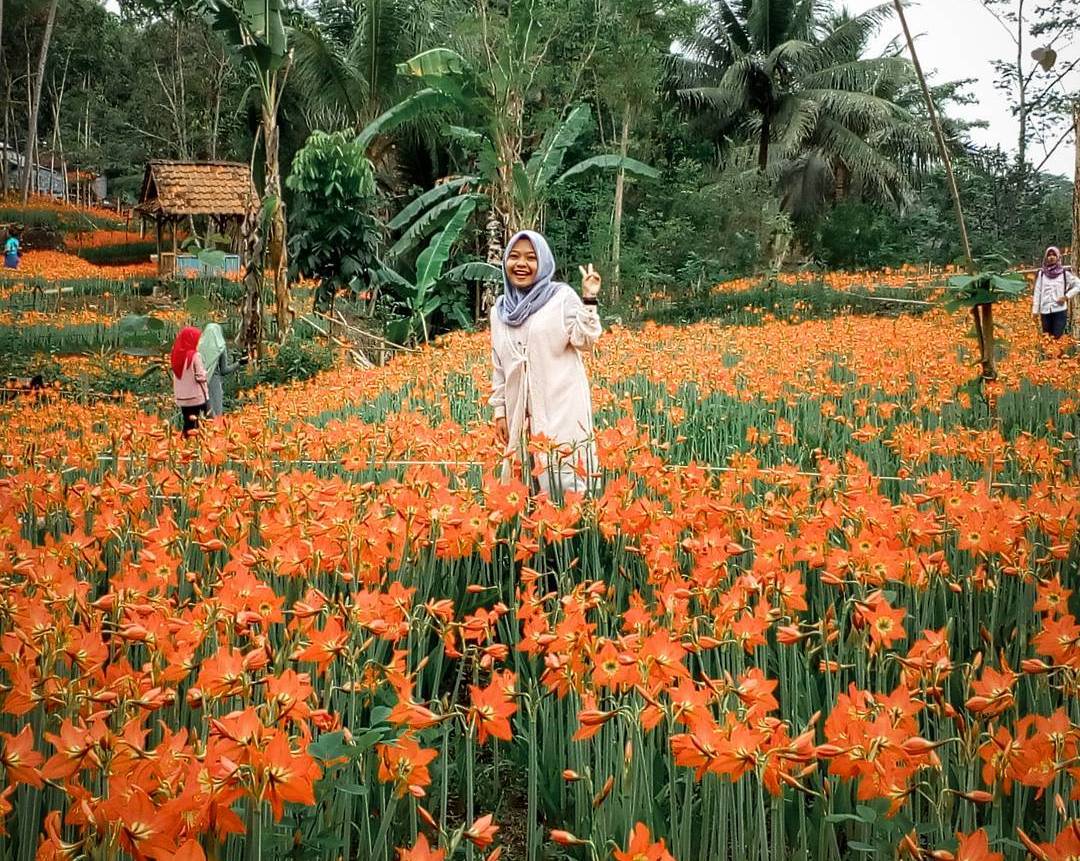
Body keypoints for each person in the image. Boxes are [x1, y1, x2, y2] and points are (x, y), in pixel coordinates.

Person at [490, 230, 602, 498]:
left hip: (561, 406)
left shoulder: (560, 298)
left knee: (569, 480)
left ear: (543, 264)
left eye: (531, 258)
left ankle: (574, 538)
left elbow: (585, 341)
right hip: (522, 413)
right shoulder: (499, 311)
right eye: (514, 256)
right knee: (526, 486)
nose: (521, 264)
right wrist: (500, 411)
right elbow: (499, 365)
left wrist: (589, 299)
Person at [1032, 246, 1080, 339]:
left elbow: (1078, 285)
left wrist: (1066, 296)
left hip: (1059, 310)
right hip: (1045, 311)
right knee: (1047, 339)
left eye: (1054, 255)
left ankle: (1059, 354)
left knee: (1057, 338)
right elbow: (1037, 293)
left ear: (1058, 257)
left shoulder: (1064, 273)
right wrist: (1035, 311)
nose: (1051, 257)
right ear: (1046, 257)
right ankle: (1048, 354)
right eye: (1049, 255)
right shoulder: (1042, 274)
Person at [197, 322, 241, 417]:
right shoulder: (220, 347)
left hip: (199, 384)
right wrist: (239, 363)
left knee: (201, 416)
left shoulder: (198, 346)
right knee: (215, 414)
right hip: (213, 383)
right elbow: (224, 370)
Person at [171, 326, 209, 434]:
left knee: (187, 424)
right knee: (199, 426)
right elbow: (200, 376)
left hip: (182, 398)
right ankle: (195, 448)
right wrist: (207, 373)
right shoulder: (195, 355)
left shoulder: (176, 356)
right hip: (196, 398)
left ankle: (184, 446)